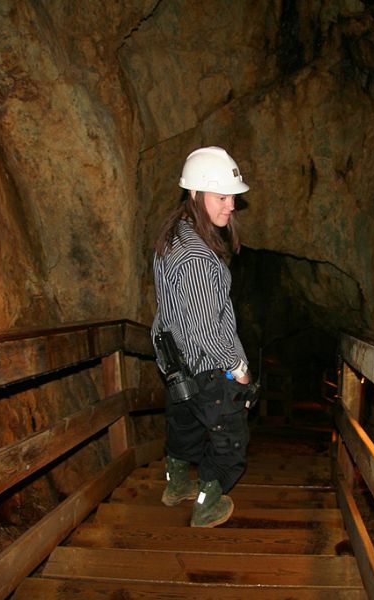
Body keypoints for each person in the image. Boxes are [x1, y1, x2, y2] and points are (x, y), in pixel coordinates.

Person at [151, 146, 253, 528]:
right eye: (221, 197)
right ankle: (207, 504)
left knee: (186, 424)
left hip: (177, 363)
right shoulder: (195, 255)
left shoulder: (174, 235)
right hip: (205, 366)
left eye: (232, 197)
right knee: (230, 436)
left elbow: (169, 312)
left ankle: (175, 486)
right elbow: (207, 330)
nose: (231, 206)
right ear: (195, 194)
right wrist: (238, 369)